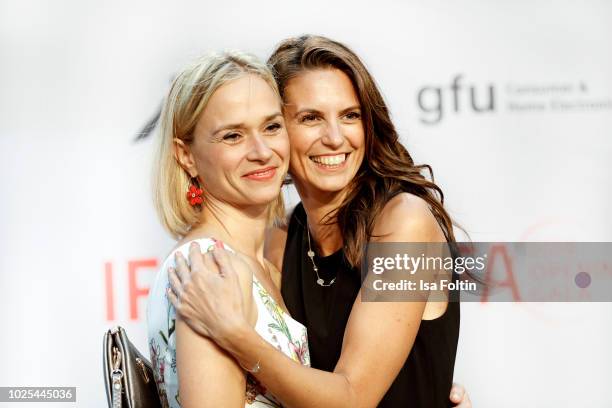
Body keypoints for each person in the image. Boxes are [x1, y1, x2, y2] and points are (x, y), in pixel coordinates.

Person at [168, 35, 470, 407]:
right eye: (310, 118)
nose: (334, 137)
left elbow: (354, 398)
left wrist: (236, 336)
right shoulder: (281, 239)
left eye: (350, 115)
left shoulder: (404, 222)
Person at [147, 50, 311, 408]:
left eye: (271, 126)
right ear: (186, 156)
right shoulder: (211, 267)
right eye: (233, 136)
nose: (262, 151)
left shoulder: (262, 266)